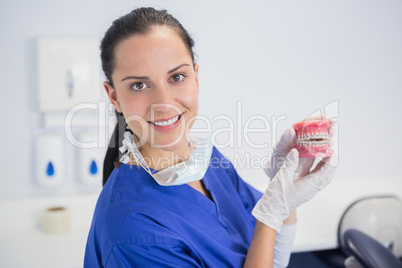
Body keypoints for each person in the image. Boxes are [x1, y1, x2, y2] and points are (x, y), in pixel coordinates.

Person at [84, 7, 337, 267]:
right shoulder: (133, 231)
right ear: (113, 96)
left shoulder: (206, 162)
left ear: (196, 77)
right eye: (139, 85)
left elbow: (270, 258)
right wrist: (271, 212)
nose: (164, 103)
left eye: (177, 77)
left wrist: (283, 195)